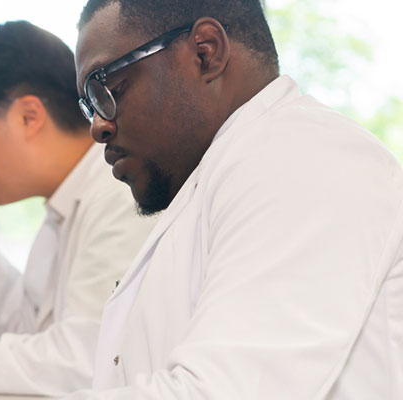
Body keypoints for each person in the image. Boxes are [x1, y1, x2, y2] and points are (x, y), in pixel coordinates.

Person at [66, 0, 403, 398]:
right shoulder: (222, 179)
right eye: (89, 106)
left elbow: (229, 390)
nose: (98, 127)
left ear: (205, 52)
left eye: (106, 89)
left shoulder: (303, 154)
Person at [0, 20, 156, 395]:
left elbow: (80, 364)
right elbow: (18, 332)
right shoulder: (65, 204)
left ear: (29, 116)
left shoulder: (118, 197)